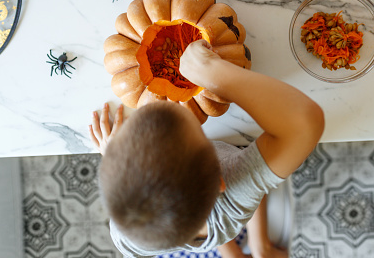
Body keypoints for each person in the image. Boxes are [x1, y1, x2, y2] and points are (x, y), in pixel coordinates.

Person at [89, 39, 324, 258]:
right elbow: (303, 125)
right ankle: (258, 246)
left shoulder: (126, 236)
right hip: (226, 218)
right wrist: (211, 71)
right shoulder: (234, 190)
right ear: (219, 180)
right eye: (186, 118)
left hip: (196, 232)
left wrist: (114, 155)